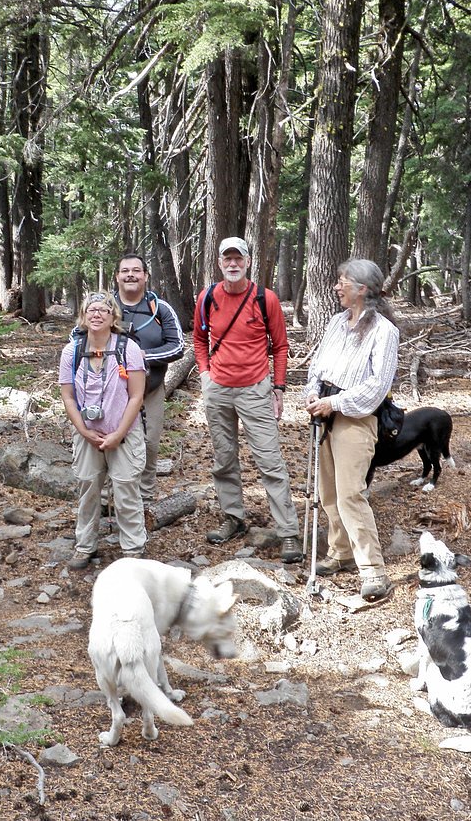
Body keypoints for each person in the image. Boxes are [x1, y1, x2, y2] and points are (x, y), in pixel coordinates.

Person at [193, 236, 302, 562]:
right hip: (218, 389)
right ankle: (234, 518)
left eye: (238, 258)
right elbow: (199, 338)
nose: (233, 264)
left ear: (248, 262)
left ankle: (288, 532)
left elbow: (280, 346)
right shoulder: (208, 297)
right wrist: (205, 374)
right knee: (224, 458)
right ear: (219, 263)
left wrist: (278, 388)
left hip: (255, 389)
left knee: (270, 461)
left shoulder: (265, 299)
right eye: (227, 259)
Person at [304, 259, 400, 601]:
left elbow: (377, 386)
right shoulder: (336, 322)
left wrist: (335, 403)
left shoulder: (384, 331)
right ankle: (340, 552)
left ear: (362, 289)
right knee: (328, 491)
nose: (336, 287)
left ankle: (373, 570)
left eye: (342, 281)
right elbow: (317, 367)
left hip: (356, 418)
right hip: (325, 412)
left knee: (350, 495)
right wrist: (313, 393)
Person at [58, 291, 147, 569]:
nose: (97, 314)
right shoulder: (72, 351)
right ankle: (85, 546)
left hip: (124, 434)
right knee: (88, 490)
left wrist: (118, 434)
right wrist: (83, 431)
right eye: (91, 310)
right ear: (83, 316)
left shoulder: (128, 348)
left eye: (103, 310)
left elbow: (136, 396)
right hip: (88, 435)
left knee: (126, 490)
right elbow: (68, 397)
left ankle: (133, 550)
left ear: (113, 317)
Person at [113, 253, 184, 503]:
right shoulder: (104, 306)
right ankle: (109, 500)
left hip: (150, 390)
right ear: (117, 276)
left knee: (149, 444)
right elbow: (78, 338)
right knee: (111, 441)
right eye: (125, 271)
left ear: (145, 276)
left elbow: (177, 347)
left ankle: (145, 499)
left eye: (136, 271)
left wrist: (142, 357)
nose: (130, 275)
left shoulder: (159, 308)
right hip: (111, 391)